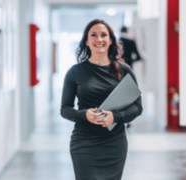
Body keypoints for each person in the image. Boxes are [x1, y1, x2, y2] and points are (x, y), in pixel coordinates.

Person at [60, 19, 143, 180]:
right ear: (86, 41)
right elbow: (65, 109)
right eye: (94, 35)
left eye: (104, 35)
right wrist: (85, 115)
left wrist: (115, 117)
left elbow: (138, 107)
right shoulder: (75, 72)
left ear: (111, 40)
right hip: (84, 142)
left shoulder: (123, 70)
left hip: (114, 143)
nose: (99, 39)